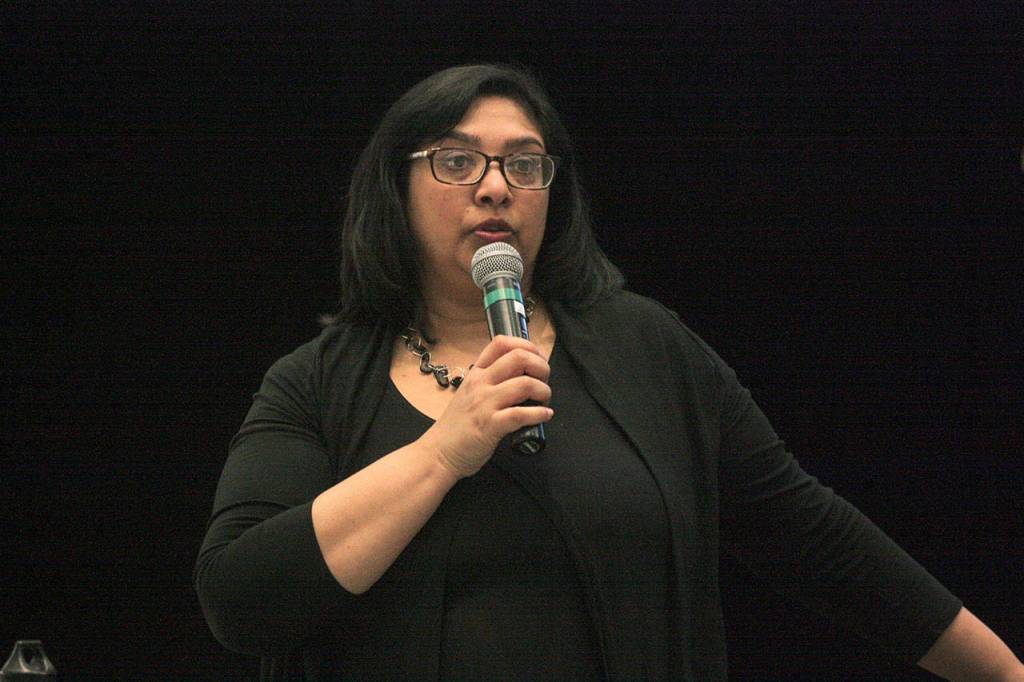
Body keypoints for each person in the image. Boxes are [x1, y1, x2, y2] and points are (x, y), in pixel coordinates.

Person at [194, 63, 1023, 680]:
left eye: (525, 164)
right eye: (457, 162)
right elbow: (242, 599)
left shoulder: (648, 349)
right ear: (397, 188)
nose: (495, 189)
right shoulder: (313, 384)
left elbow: (815, 538)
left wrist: (1005, 673)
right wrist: (446, 450)